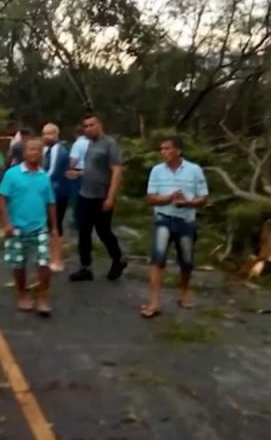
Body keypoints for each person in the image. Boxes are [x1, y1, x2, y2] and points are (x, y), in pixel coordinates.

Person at [141, 135, 209, 318]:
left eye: (167, 148)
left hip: (186, 220)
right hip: (163, 218)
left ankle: (184, 292)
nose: (163, 152)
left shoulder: (194, 170)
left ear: (178, 150)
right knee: (157, 259)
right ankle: (154, 301)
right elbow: (150, 197)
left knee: (186, 261)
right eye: (161, 149)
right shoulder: (157, 171)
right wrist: (168, 198)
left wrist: (188, 203)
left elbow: (203, 197)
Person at [0, 138, 59, 317]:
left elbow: (51, 203)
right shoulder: (12, 174)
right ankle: (22, 294)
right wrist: (6, 223)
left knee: (44, 264)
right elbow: (2, 199)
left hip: (39, 227)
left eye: (38, 150)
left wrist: (54, 228)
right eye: (31, 149)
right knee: (19, 264)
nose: (34, 153)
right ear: (24, 152)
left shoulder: (44, 177)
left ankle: (42, 297)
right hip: (16, 227)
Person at [67, 114, 125, 282]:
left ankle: (118, 259)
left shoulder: (109, 144)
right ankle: (85, 267)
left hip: (101, 197)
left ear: (100, 125)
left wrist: (110, 197)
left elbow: (116, 171)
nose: (87, 129)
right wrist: (77, 173)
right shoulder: (90, 144)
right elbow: (93, 169)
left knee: (103, 231)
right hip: (85, 194)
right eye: (85, 126)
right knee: (83, 231)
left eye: (91, 125)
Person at [41, 123, 70, 272]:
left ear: (56, 135)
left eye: (50, 133)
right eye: (44, 133)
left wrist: (37, 182)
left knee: (55, 225)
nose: (46, 136)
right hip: (50, 193)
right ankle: (50, 256)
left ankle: (57, 260)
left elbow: (51, 172)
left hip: (58, 193)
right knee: (49, 225)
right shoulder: (47, 149)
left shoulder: (58, 149)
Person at [67, 125, 89, 228]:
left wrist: (69, 169)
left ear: (75, 134)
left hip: (78, 171)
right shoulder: (91, 143)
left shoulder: (77, 144)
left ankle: (77, 221)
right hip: (90, 172)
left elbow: (73, 160)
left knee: (76, 197)